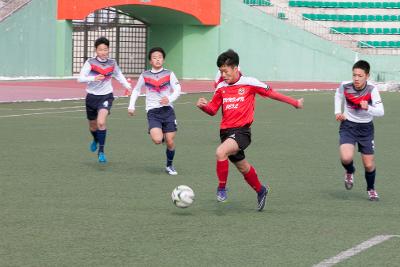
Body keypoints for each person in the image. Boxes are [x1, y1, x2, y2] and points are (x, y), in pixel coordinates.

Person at [196, 49, 303, 211]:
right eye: (220, 71)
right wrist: (203, 106)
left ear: (235, 68)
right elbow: (212, 110)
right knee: (243, 167)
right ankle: (261, 190)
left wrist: (294, 102)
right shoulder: (221, 88)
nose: (223, 75)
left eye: (225, 71)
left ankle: (221, 189)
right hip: (225, 133)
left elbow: (272, 94)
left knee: (220, 152)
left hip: (242, 132)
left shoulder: (250, 83)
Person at [334, 60, 384, 201]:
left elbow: (381, 112)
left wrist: (368, 107)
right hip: (348, 125)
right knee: (346, 158)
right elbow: (338, 95)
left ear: (367, 76)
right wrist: (338, 112)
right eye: (354, 75)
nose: (356, 78)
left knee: (368, 165)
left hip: (366, 129)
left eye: (360, 76)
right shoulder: (345, 85)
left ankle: (371, 189)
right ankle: (350, 171)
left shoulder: (372, 90)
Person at [128, 47, 181, 175]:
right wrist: (131, 106)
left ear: (163, 59)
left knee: (170, 141)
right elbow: (136, 90)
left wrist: (169, 99)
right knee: (158, 140)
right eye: (154, 58)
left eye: (160, 57)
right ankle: (160, 133)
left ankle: (169, 165)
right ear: (150, 61)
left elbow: (178, 89)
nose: (157, 59)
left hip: (168, 110)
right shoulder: (145, 75)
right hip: (152, 111)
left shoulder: (169, 73)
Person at [78, 36, 131, 164]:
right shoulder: (90, 62)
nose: (103, 52)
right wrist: (93, 78)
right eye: (100, 49)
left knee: (101, 122)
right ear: (96, 50)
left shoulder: (112, 63)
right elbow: (80, 78)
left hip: (106, 96)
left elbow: (118, 75)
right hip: (91, 97)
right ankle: (95, 139)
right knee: (93, 125)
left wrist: (128, 86)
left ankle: (101, 151)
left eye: (105, 49)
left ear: (108, 50)